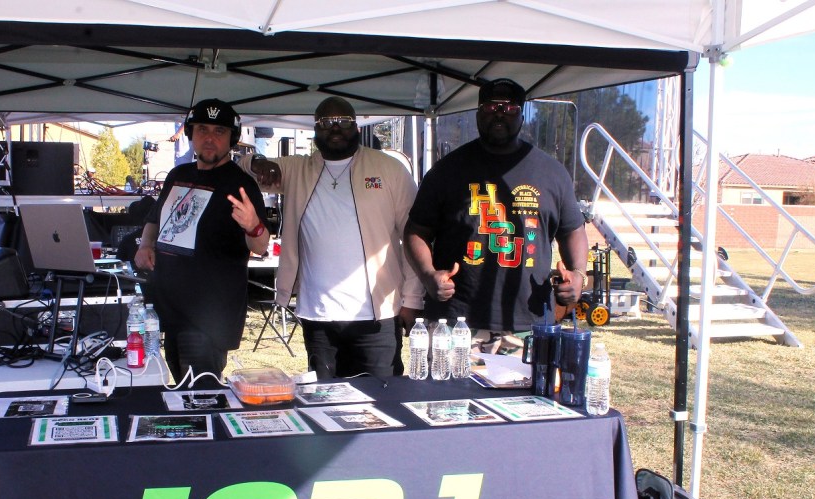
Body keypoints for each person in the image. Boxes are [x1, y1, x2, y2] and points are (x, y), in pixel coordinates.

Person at [242, 96, 422, 379]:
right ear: (315, 129)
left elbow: (415, 235)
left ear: (357, 127)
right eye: (326, 122)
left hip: (377, 315)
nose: (335, 127)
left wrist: (412, 298)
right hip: (318, 316)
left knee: (382, 400)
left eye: (343, 121)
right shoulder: (296, 169)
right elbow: (239, 168)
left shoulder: (389, 169)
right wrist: (257, 161)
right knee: (324, 399)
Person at [404, 78, 589, 354]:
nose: (500, 114)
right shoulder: (446, 171)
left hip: (529, 323)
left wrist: (579, 275)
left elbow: (573, 230)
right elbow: (415, 231)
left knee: (528, 386)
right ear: (478, 113)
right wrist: (428, 275)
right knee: (448, 386)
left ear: (522, 116)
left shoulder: (552, 173)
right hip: (456, 323)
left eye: (510, 108)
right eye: (491, 107)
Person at [134, 98, 269, 383]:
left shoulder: (241, 184)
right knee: (178, 388)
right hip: (169, 309)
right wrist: (146, 244)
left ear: (231, 138)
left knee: (201, 393)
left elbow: (260, 246)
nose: (210, 138)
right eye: (202, 129)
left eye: (219, 131)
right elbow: (154, 219)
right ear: (190, 134)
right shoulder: (177, 175)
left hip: (209, 317)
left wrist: (253, 226)